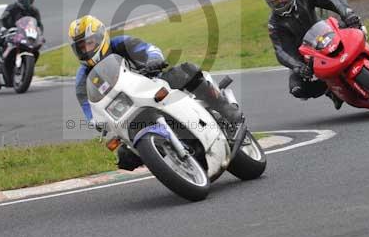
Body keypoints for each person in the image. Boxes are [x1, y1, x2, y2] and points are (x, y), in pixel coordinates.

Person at [69, 15, 243, 171]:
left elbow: (149, 49)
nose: (85, 50)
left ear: (101, 37)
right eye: (80, 47)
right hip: (126, 108)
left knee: (186, 71)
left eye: (89, 43)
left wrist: (153, 60)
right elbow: (88, 107)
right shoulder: (82, 78)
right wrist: (96, 122)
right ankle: (164, 156)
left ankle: (223, 107)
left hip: (154, 83)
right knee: (125, 155)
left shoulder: (121, 43)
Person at [263, 0, 363, 109]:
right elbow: (280, 51)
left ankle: (367, 51)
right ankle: (331, 89)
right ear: (269, 3)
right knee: (296, 89)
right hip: (305, 55)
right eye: (276, 1)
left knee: (354, 25)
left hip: (327, 33)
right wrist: (298, 66)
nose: (281, 2)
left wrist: (348, 14)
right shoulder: (274, 24)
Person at [0, 0, 43, 69]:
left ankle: (27, 66)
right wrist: (2, 28)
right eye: (25, 0)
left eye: (28, 0)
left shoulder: (34, 11)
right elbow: (2, 19)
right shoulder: (12, 7)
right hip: (9, 30)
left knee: (35, 48)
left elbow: (39, 25)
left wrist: (40, 33)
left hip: (24, 33)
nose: (26, 2)